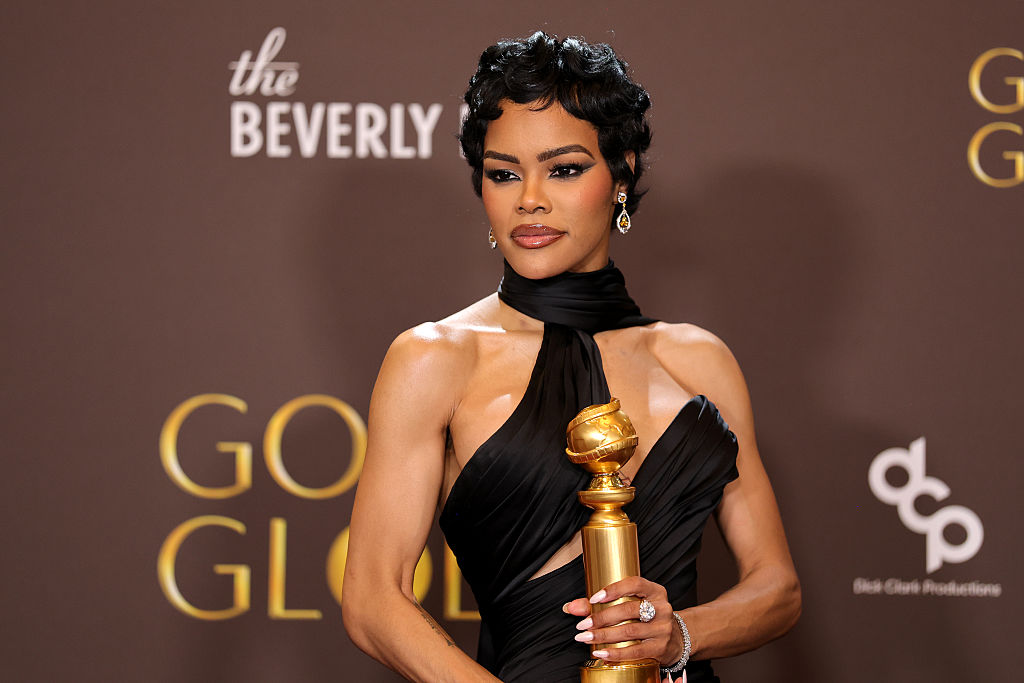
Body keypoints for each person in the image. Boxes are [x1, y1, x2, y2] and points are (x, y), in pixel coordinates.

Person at [343, 31, 801, 683]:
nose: (529, 197)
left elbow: (778, 587)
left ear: (623, 171)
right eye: (504, 173)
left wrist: (680, 635)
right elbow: (371, 598)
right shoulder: (435, 358)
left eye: (563, 168)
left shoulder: (699, 361)